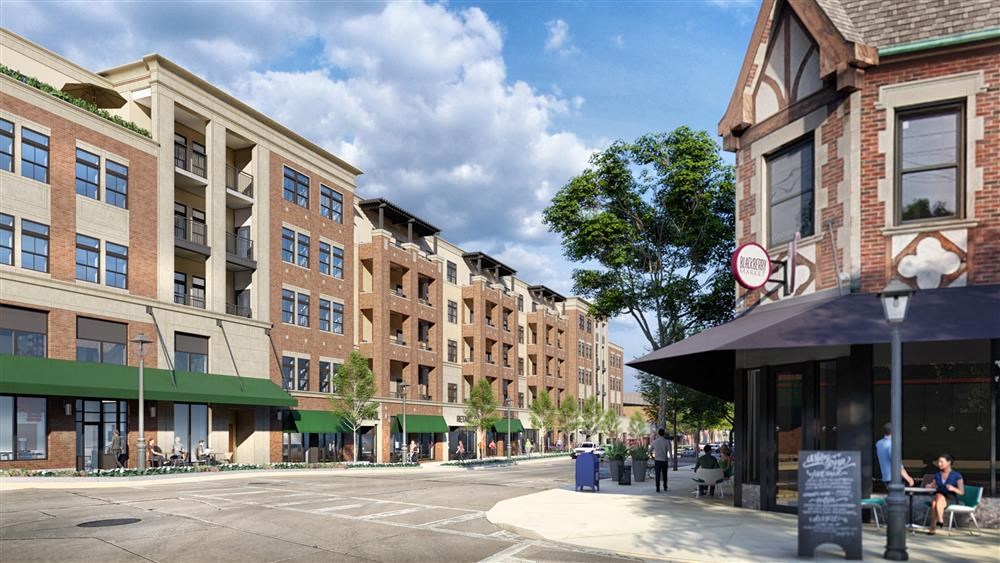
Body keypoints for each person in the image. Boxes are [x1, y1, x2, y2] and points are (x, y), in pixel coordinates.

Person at [926, 454, 964, 535]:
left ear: (949, 462)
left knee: (934, 502)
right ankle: (940, 520)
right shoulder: (937, 475)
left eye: (941, 462)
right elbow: (933, 485)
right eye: (938, 462)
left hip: (951, 498)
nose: (939, 464)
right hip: (939, 496)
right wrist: (929, 486)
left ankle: (933, 528)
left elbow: (961, 492)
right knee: (937, 498)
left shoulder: (957, 475)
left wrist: (953, 488)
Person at [875, 423, 915, 487]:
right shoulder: (892, 445)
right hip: (895, 479)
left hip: (885, 477)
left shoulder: (879, 444)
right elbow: (896, 464)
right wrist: (909, 479)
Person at [651, 428, 671, 493]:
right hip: (664, 460)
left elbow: (650, 450)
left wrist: (652, 457)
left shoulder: (654, 442)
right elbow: (670, 452)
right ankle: (665, 486)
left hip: (657, 460)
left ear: (658, 433)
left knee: (657, 475)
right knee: (665, 474)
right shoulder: (667, 441)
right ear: (664, 433)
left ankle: (657, 488)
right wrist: (671, 460)